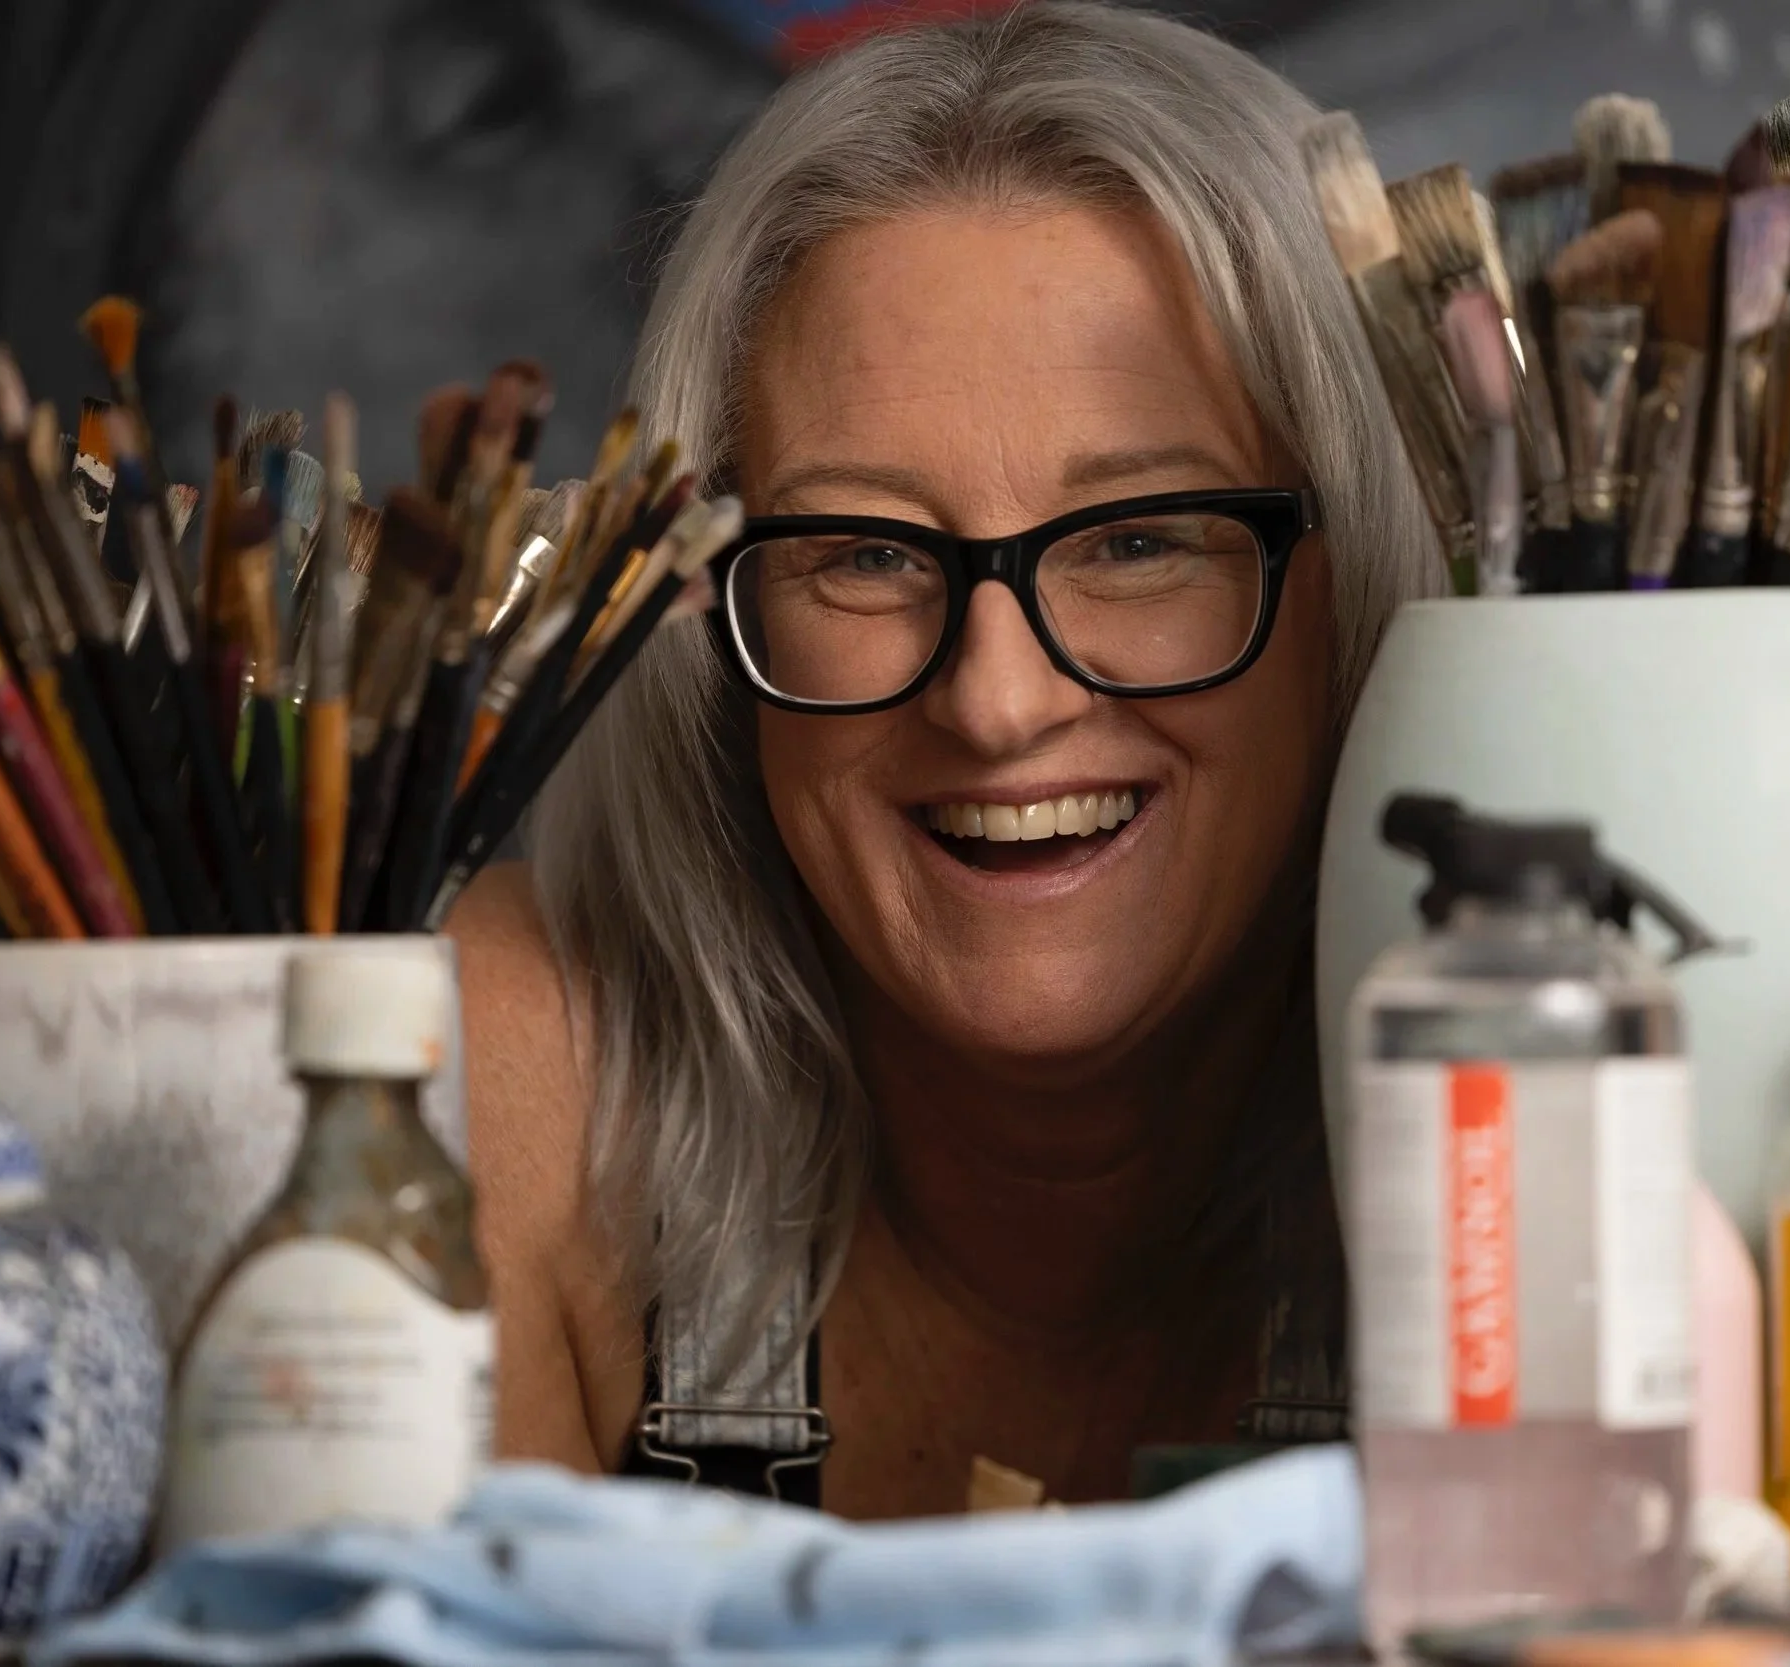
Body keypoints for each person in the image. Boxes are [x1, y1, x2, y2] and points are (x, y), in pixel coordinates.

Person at [450, 0, 1438, 1520]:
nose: (997, 702)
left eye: (1139, 540)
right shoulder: (498, 1067)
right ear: (703, 600)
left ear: (1353, 582)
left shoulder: (1557, 1103)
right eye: (864, 552)